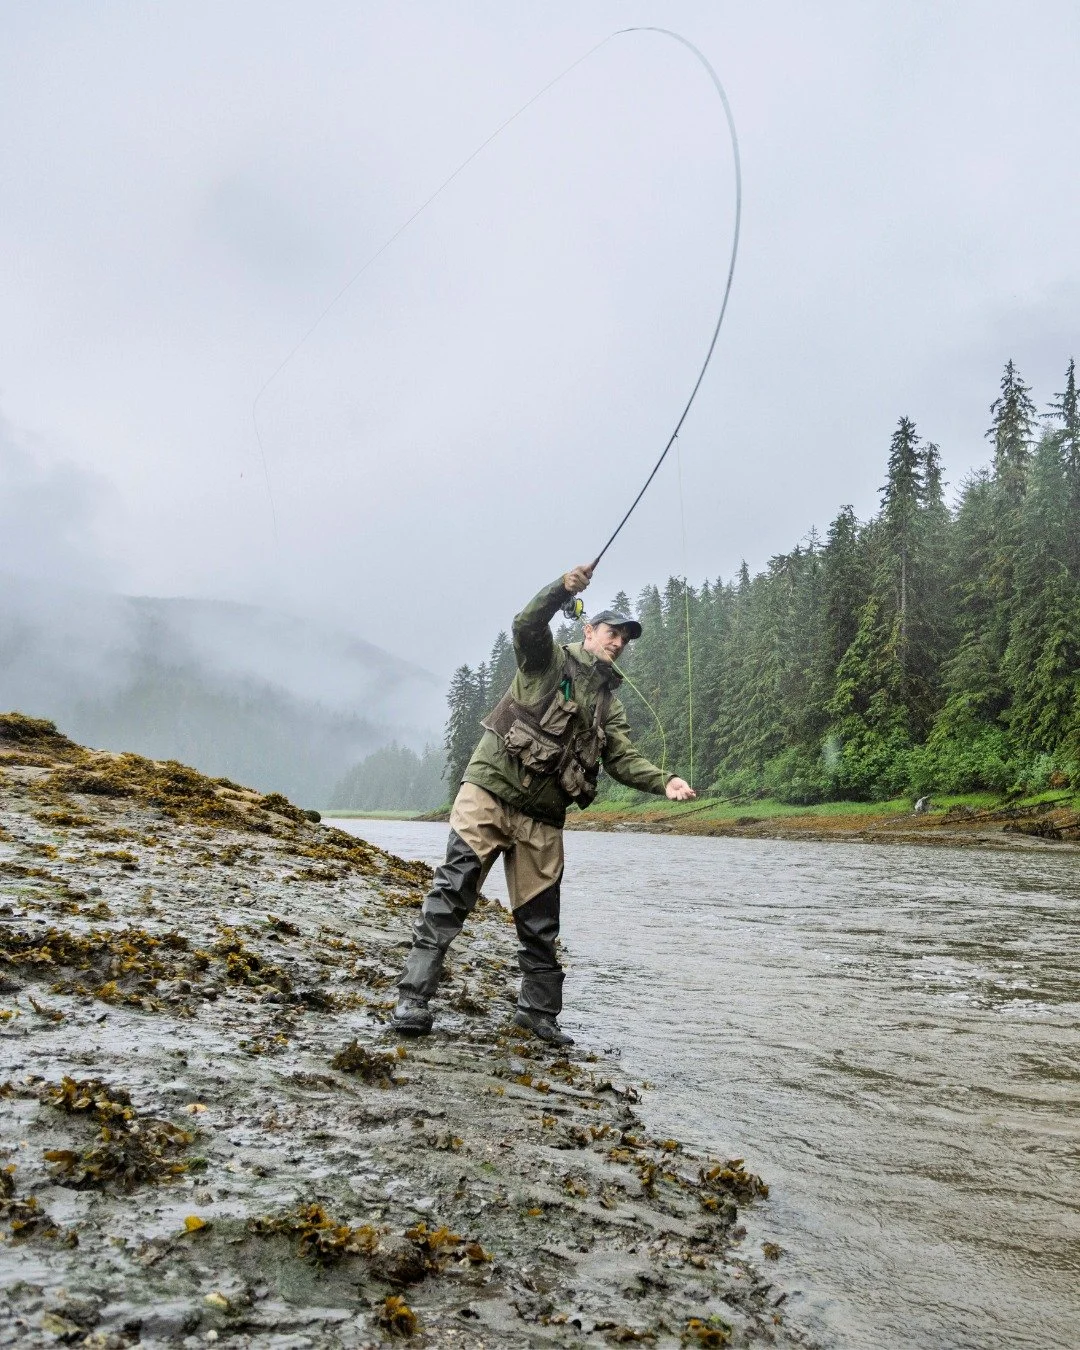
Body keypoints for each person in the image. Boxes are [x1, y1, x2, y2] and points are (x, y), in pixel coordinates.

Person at [391, 564, 695, 1045]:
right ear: (588, 630)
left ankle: (537, 1014)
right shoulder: (546, 661)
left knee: (540, 921)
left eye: (625, 639)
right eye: (611, 632)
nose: (618, 643)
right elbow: (526, 625)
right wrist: (561, 589)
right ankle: (412, 999)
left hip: (544, 818)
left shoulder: (608, 704)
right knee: (453, 892)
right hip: (490, 795)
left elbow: (622, 758)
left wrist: (666, 782)